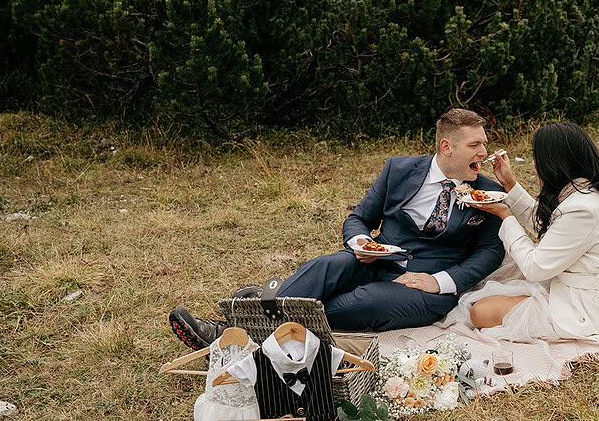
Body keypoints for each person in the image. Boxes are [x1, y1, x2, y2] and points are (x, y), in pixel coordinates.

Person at [169, 109, 506, 348]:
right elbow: (358, 218)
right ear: (446, 147)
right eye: (475, 145)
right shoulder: (400, 170)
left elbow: (490, 251)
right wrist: (361, 243)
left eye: (484, 144)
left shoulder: (488, 191)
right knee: (325, 266)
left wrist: (439, 282)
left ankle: (242, 326)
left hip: (426, 288)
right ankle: (235, 328)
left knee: (358, 304)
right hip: (379, 261)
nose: (484, 152)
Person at [453, 122, 599, 341]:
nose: (534, 164)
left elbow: (535, 268)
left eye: (537, 157)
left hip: (590, 306)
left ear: (554, 163)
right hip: (581, 286)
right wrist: (510, 184)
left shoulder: (583, 209)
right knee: (500, 271)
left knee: (480, 311)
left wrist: (506, 215)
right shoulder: (585, 188)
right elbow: (550, 228)